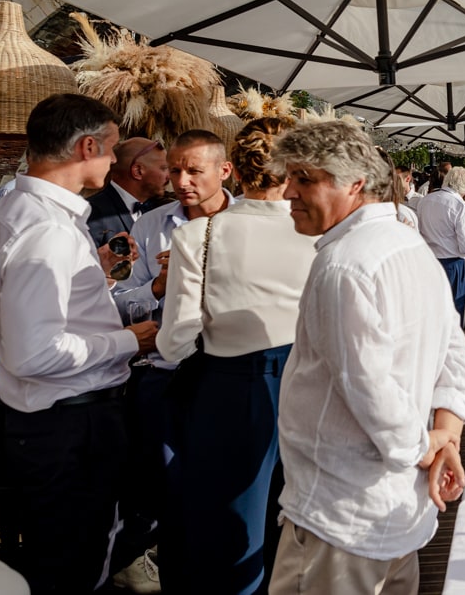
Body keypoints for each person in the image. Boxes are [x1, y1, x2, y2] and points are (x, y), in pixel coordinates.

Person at [269, 120, 465, 594]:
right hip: (398, 511)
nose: (289, 194)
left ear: (355, 184)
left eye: (306, 179)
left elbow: (370, 389)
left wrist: (425, 448)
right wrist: (446, 434)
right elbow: (453, 353)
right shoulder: (412, 246)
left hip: (341, 514)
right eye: (291, 178)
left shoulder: (343, 265)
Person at [0, 93, 158, 594]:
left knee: (61, 559)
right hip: (71, 424)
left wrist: (92, 275)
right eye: (113, 149)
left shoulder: (18, 206)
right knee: (73, 567)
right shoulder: (45, 230)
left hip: (53, 424)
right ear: (87, 146)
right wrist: (129, 340)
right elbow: (35, 353)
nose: (116, 160)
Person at [156, 118, 314, 595]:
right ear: (291, 170)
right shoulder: (317, 231)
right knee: (304, 516)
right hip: (309, 381)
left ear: (235, 171)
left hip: (232, 387)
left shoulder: (199, 236)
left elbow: (176, 340)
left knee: (234, 525)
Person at [110, 128, 235, 588]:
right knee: (167, 486)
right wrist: (158, 288)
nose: (182, 180)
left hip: (229, 372)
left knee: (226, 485)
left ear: (225, 171)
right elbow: (120, 302)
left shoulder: (250, 225)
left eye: (194, 171)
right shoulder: (149, 225)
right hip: (162, 375)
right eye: (176, 169)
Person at [416, 165, 465, 319]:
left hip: (430, 262)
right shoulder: (459, 205)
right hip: (452, 264)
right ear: (464, 188)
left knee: (433, 312)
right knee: (454, 315)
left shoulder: (425, 201)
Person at [86, 137, 169, 248]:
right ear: (138, 171)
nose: (169, 176)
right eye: (164, 168)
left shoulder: (161, 212)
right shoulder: (92, 213)